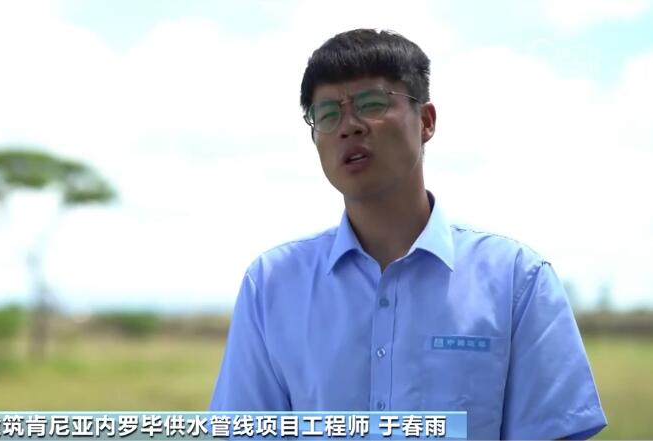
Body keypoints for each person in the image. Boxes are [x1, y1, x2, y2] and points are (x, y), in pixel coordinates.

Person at [209, 28, 607, 440]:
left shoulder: (517, 281)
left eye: (371, 104)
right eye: (327, 114)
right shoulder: (271, 285)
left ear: (426, 121)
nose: (349, 126)